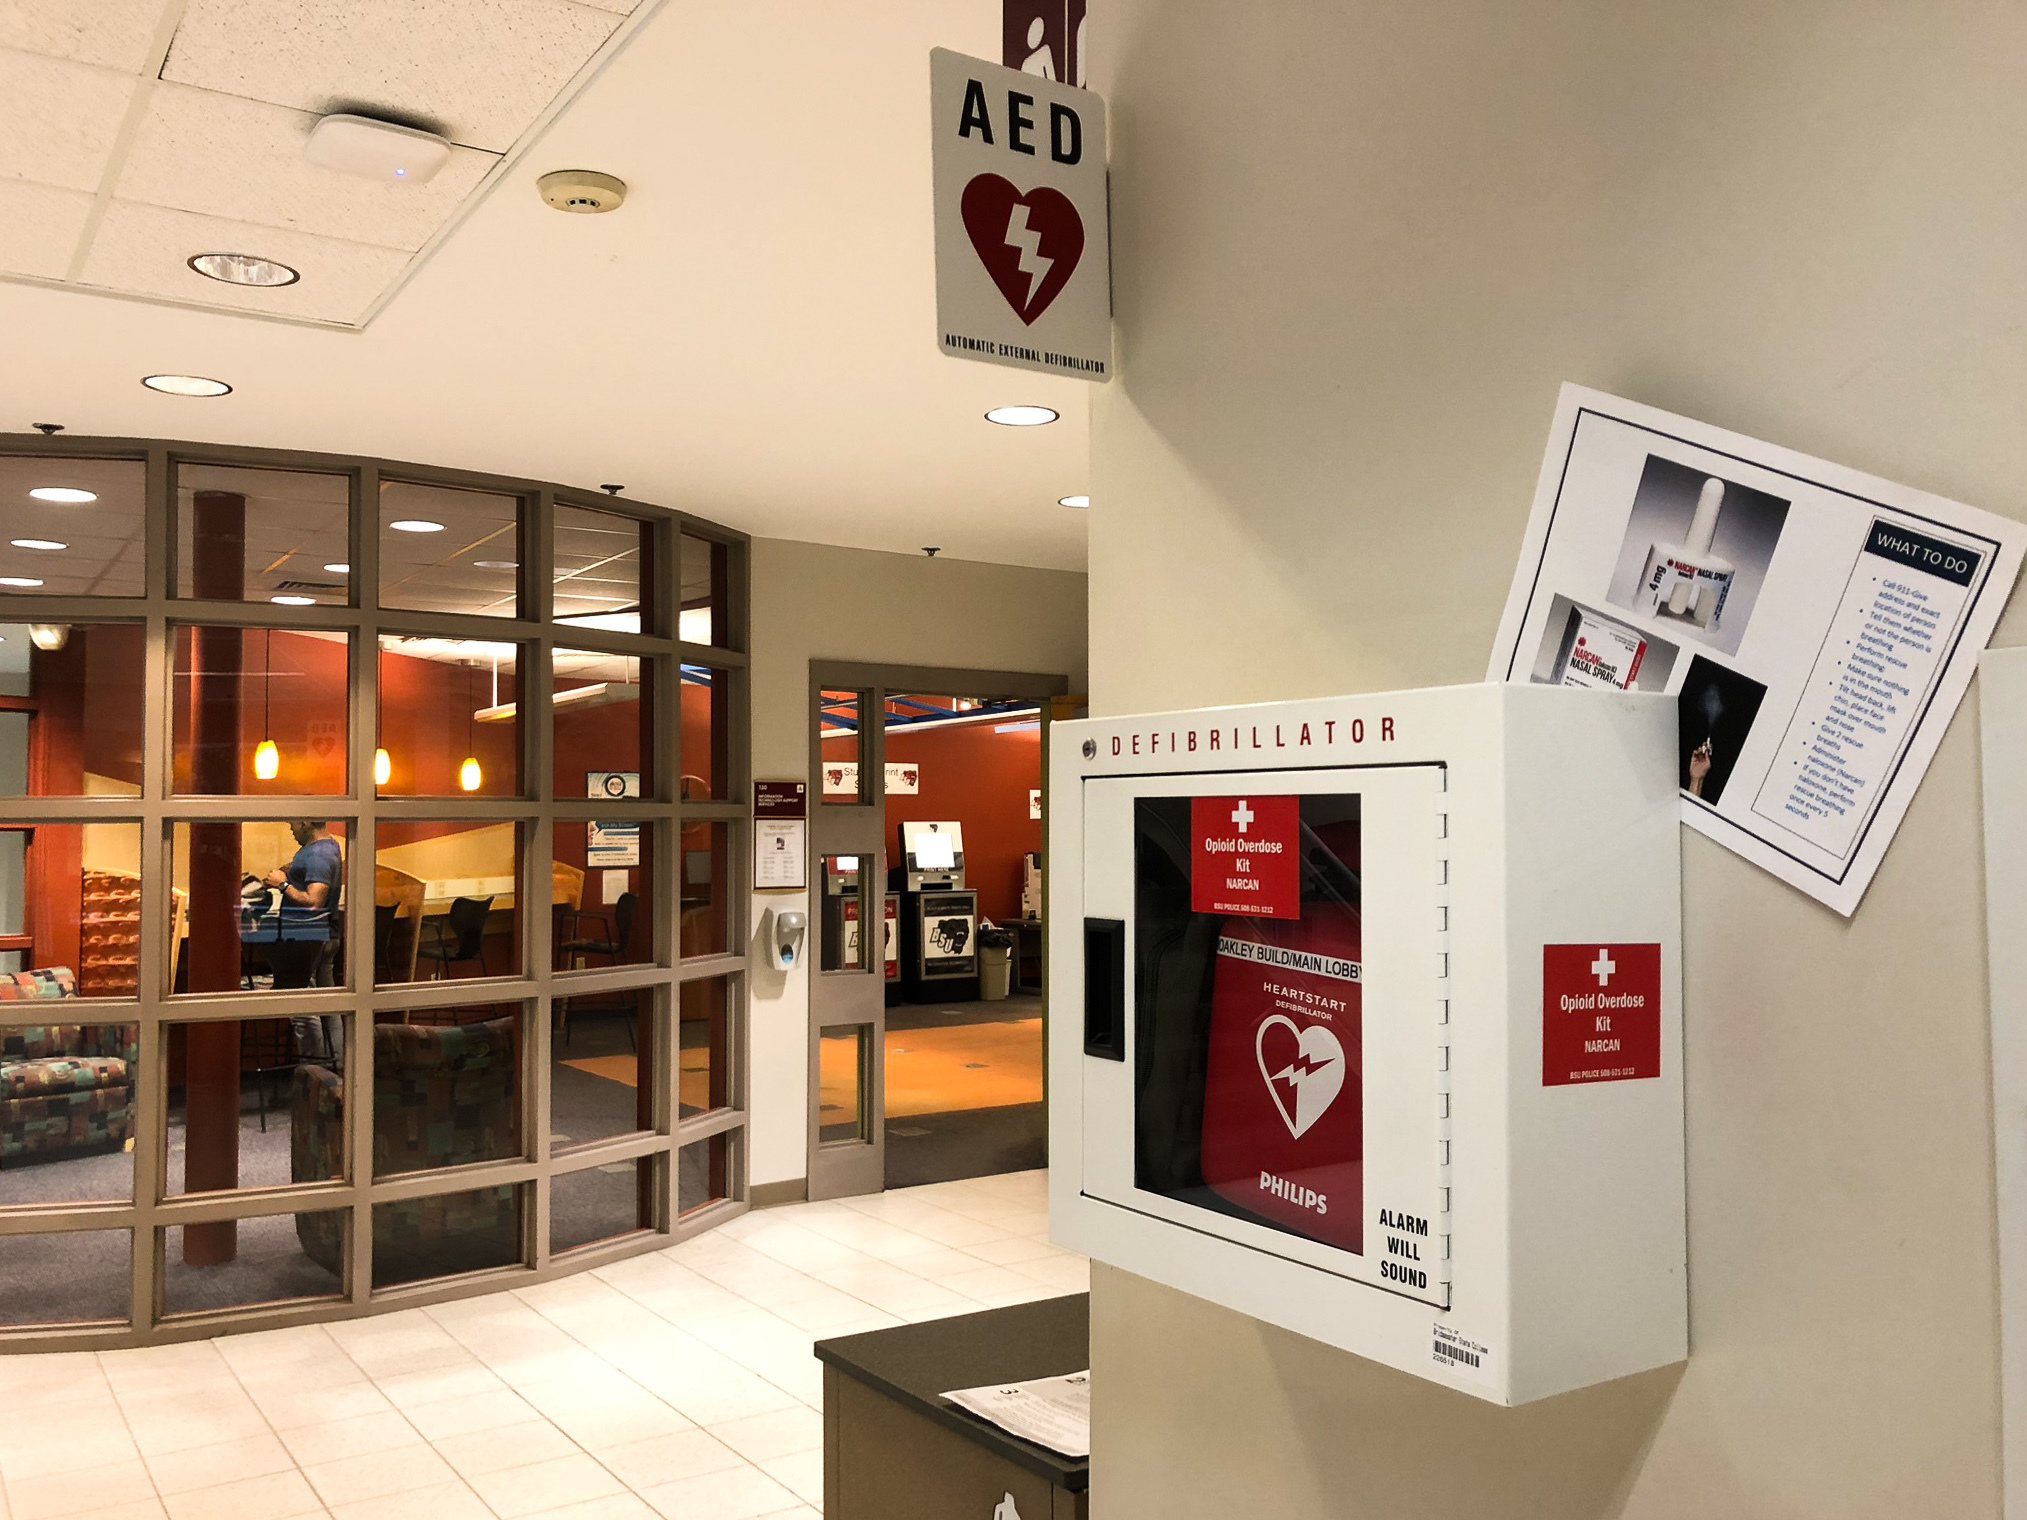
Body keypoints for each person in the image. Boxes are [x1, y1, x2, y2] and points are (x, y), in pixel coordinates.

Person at [264, 821, 344, 1064]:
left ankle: (314, 1073)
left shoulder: (318, 854)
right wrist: (294, 873)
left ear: (306, 822)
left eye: (293, 823)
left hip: (304, 940)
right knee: (329, 1006)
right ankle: (338, 1066)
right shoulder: (330, 846)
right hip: (326, 935)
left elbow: (313, 901)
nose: (290, 828)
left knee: (303, 1009)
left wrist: (283, 884)